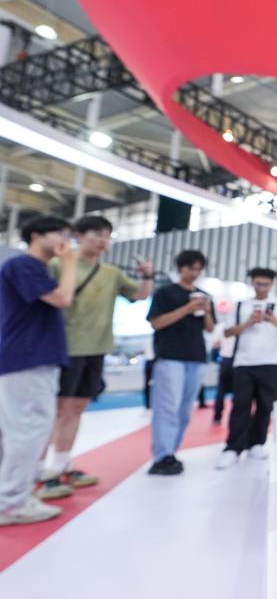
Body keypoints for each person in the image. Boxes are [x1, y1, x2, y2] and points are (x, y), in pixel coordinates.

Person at [36, 216, 154, 499]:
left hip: (97, 349)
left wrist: (148, 275)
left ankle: (62, 466)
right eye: (97, 234)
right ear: (78, 235)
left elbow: (140, 295)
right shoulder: (59, 265)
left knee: (76, 408)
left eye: (107, 236)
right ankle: (38, 472)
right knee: (56, 411)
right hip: (65, 349)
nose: (103, 240)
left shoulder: (111, 272)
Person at [0, 217, 77, 525]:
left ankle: (12, 495)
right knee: (28, 429)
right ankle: (11, 502)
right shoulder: (24, 265)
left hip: (31, 357)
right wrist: (69, 263)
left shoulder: (35, 269)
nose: (65, 240)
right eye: (59, 233)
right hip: (28, 357)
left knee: (21, 429)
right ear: (36, 236)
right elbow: (63, 298)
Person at [216, 268, 277, 469]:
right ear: (252, 283)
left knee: (265, 406)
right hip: (243, 362)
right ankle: (233, 447)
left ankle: (257, 443)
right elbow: (227, 332)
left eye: (266, 284)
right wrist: (248, 323)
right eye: (258, 284)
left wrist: (275, 321)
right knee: (240, 405)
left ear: (272, 285)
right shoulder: (240, 305)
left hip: (271, 362)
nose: (262, 288)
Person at [146, 250, 215, 476]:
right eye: (190, 268)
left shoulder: (204, 296)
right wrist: (187, 309)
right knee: (167, 408)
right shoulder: (165, 293)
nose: (194, 273)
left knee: (185, 410)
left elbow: (210, 328)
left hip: (196, 357)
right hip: (169, 357)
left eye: (198, 269)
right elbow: (156, 323)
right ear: (180, 268)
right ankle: (162, 455)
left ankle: (171, 452)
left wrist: (206, 312)